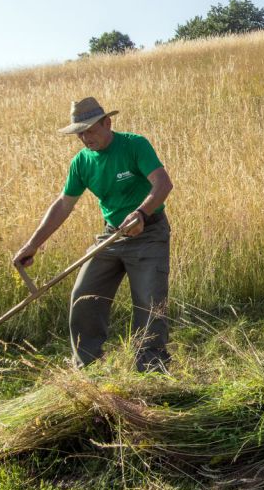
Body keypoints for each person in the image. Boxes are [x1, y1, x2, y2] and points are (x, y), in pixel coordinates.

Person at [12, 98, 174, 372]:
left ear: (107, 123)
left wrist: (142, 214)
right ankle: (86, 366)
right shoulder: (82, 163)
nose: (85, 138)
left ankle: (152, 368)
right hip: (111, 236)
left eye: (90, 130)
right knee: (83, 294)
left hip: (149, 232)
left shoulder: (134, 145)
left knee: (149, 303)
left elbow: (162, 183)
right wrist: (32, 245)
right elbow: (63, 204)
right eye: (80, 133)